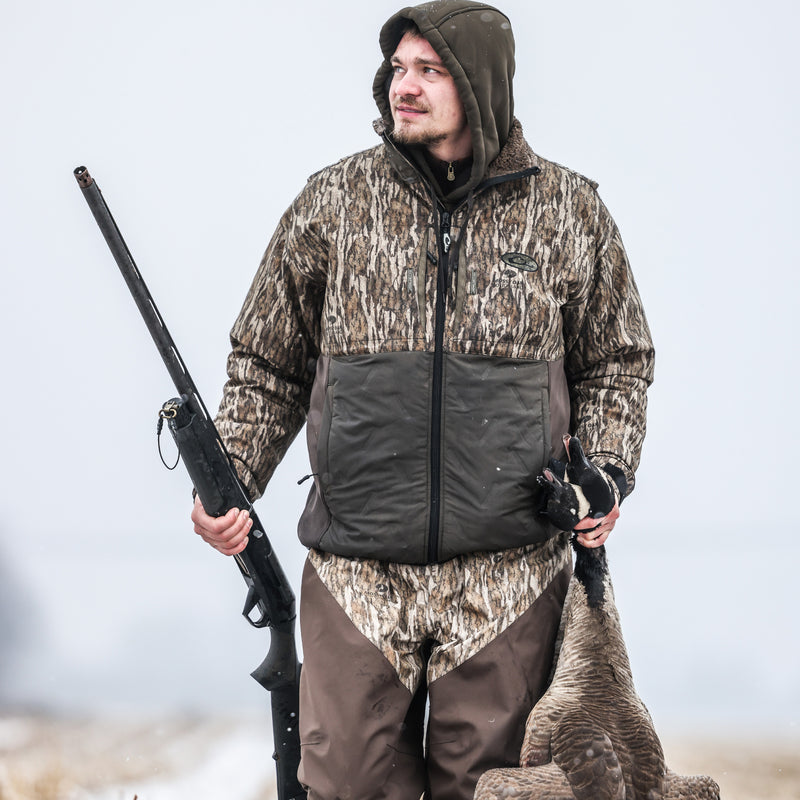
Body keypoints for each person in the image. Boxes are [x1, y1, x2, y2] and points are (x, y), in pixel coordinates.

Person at [191, 2, 654, 798]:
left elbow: (617, 360)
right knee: (347, 786)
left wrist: (605, 473)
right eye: (398, 69)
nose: (402, 87)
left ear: (481, 84)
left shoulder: (569, 212)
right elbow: (268, 360)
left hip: (509, 576)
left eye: (429, 71)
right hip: (356, 574)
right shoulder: (333, 203)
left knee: (490, 789)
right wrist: (229, 477)